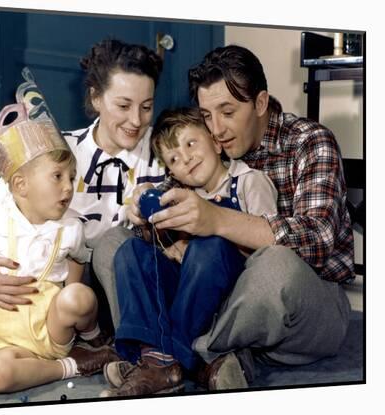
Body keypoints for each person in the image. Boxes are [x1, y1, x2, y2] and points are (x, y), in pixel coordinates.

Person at [0, 39, 164, 391]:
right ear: (96, 98)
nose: (136, 120)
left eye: (146, 107)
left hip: (46, 306)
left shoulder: (163, 162)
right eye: (123, 105)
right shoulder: (54, 148)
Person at [95, 44, 354, 392]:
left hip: (296, 307)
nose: (216, 129)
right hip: (210, 297)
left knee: (277, 266)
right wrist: (146, 210)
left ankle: (167, 354)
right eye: (206, 116)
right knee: (112, 244)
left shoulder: (310, 141)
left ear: (260, 103)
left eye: (228, 112)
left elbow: (318, 241)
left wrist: (215, 220)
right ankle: (195, 358)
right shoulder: (201, 151)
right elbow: (161, 228)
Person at [99, 106, 278, 396]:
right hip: (186, 293)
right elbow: (157, 243)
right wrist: (154, 227)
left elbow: (269, 253)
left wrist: (208, 237)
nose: (185, 157)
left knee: (211, 245)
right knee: (130, 251)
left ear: (216, 143)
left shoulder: (249, 182)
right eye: (173, 158)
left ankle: (160, 361)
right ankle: (156, 356)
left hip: (229, 296)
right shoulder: (182, 196)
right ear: (172, 172)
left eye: (190, 143)